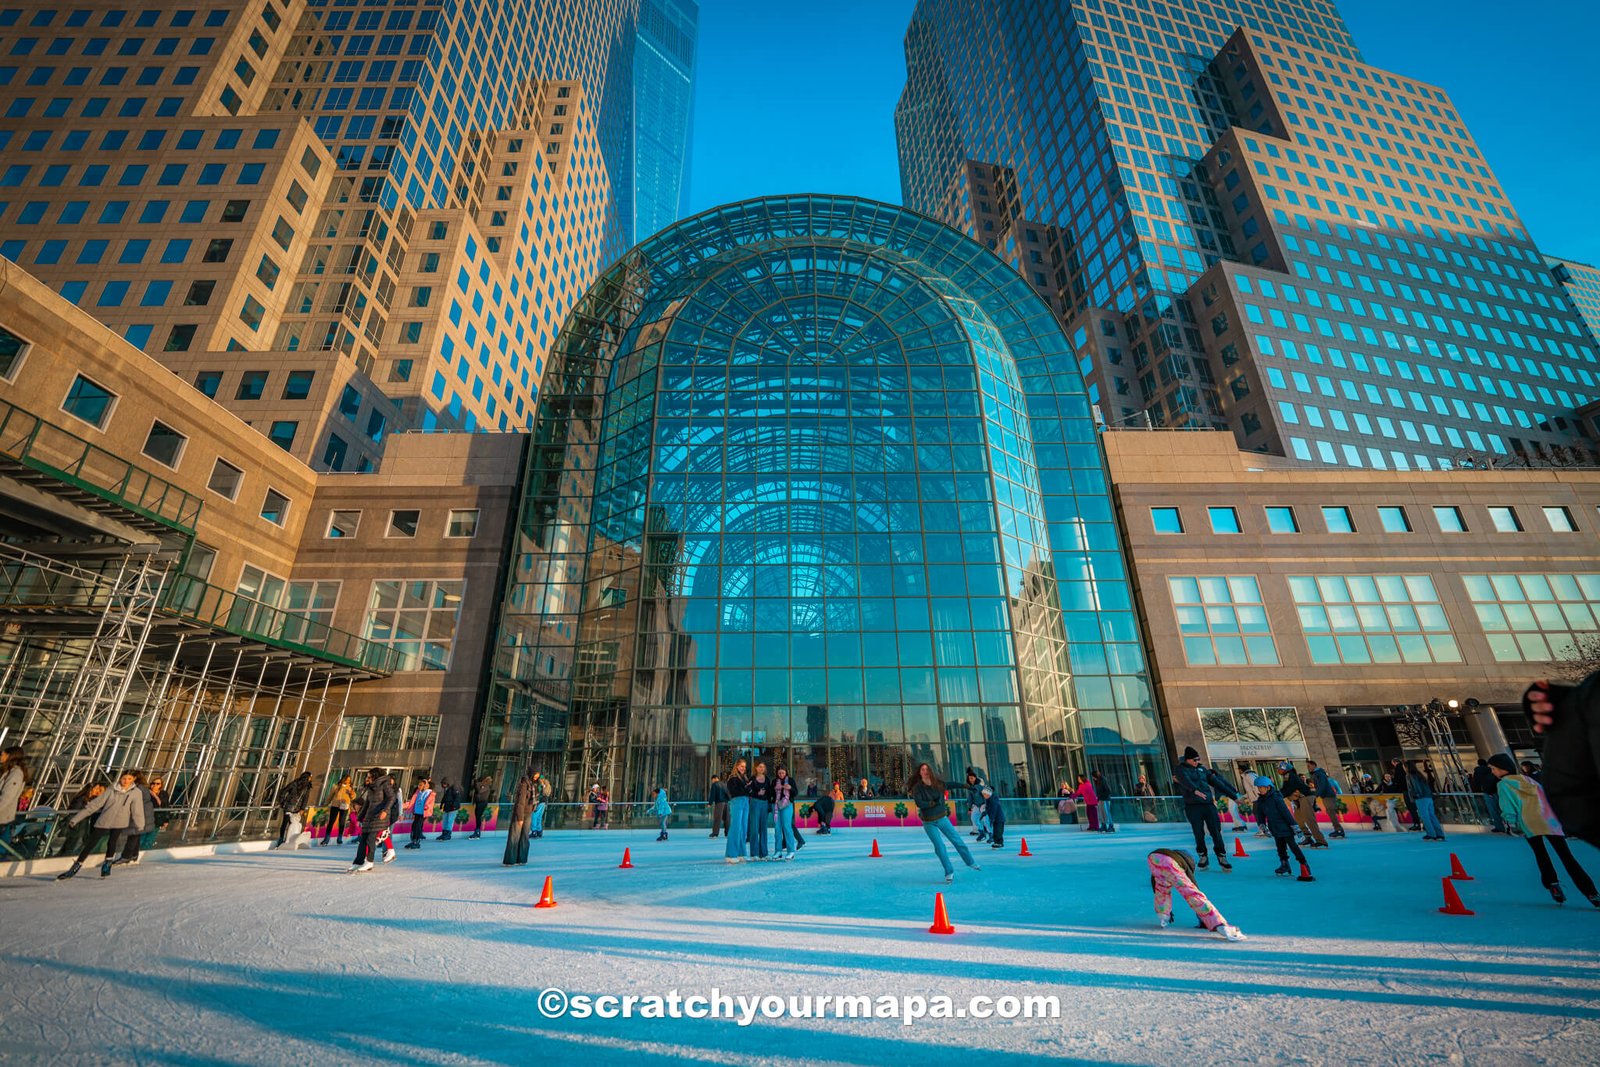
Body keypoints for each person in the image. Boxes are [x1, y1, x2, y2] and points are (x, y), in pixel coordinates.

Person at [1489, 753, 1599, 907]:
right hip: (1548, 820)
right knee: (1567, 857)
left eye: (1493, 768)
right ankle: (1591, 892)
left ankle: (1553, 885)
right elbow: (1545, 798)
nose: (1492, 772)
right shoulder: (1528, 780)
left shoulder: (1504, 785)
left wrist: (1513, 824)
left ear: (1502, 768)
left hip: (1529, 821)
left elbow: (1508, 807)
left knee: (1541, 854)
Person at [58, 770, 147, 879]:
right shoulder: (112, 789)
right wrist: (75, 819)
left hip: (120, 822)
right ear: (120, 778)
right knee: (91, 843)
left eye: (129, 779)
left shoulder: (136, 792)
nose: (126, 781)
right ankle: (76, 866)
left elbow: (137, 810)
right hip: (105, 820)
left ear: (133, 779)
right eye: (124, 778)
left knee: (112, 842)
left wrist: (140, 824)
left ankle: (107, 865)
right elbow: (95, 805)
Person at [905, 762, 981, 884]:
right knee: (940, 847)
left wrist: (966, 786)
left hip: (942, 819)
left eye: (927, 769)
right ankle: (949, 872)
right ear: (919, 772)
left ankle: (970, 862)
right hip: (928, 822)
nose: (925, 771)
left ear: (930, 771)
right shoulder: (918, 788)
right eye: (922, 769)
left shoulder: (938, 784)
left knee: (957, 841)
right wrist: (933, 803)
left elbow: (951, 784)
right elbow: (919, 803)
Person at [1148, 847, 1246, 941]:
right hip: (1168, 862)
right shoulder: (1181, 863)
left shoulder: (1173, 856)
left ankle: (1163, 915)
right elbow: (1194, 892)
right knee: (1190, 892)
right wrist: (1205, 918)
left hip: (1153, 857)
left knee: (1162, 888)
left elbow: (1154, 882)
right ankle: (1219, 924)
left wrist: (1166, 911)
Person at [1173, 747, 1235, 871]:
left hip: (1208, 804)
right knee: (1198, 832)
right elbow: (1186, 781)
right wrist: (1195, 790)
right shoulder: (1181, 769)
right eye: (1194, 760)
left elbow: (1217, 782)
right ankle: (1203, 855)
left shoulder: (1202, 769)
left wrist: (1234, 795)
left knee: (1216, 831)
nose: (1197, 762)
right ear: (1188, 759)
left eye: (1198, 759)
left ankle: (1221, 856)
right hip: (1193, 806)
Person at [1253, 776, 1312, 881]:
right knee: (1280, 848)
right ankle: (1285, 864)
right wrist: (1262, 825)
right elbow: (1260, 815)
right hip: (1274, 828)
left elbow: (1286, 813)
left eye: (1261, 787)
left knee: (1293, 847)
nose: (1259, 789)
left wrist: (1295, 826)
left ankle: (1304, 863)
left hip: (1285, 827)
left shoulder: (1276, 798)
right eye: (1258, 787)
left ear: (1268, 787)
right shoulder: (1261, 800)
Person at [348, 768, 395, 873]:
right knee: (363, 840)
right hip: (369, 816)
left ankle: (369, 861)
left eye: (369, 776)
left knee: (370, 840)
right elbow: (367, 804)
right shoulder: (371, 787)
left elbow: (392, 797)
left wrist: (385, 811)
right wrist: (360, 817)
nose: (367, 778)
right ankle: (358, 862)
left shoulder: (384, 784)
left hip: (380, 816)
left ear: (375, 776)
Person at [113, 773, 160, 866]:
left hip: (139, 815)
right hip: (144, 815)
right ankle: (134, 855)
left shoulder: (138, 789)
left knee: (133, 835)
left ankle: (126, 856)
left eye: (129, 778)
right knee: (136, 835)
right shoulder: (143, 788)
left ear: (134, 778)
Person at [1278, 762, 1327, 848]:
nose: (1278, 770)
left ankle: (1321, 841)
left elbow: (1289, 788)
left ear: (1285, 769)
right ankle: (1308, 837)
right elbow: (1286, 788)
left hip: (1305, 797)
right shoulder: (1287, 776)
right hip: (1299, 799)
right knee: (1298, 819)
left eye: (1280, 769)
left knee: (1309, 819)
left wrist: (1279, 795)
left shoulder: (1290, 775)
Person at [271, 770, 314, 850]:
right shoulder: (296, 783)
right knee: (286, 823)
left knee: (291, 824)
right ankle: (282, 840)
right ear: (307, 777)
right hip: (290, 806)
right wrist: (282, 801)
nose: (311, 779)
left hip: (295, 808)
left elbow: (305, 799)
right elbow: (284, 791)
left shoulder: (306, 786)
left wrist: (302, 808)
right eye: (310, 777)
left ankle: (288, 840)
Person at [0, 747, 31, 850]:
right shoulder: (8, 771)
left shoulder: (16, 774)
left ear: (9, 756)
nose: (0, 756)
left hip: (3, 819)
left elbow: (7, 797)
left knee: (2, 848)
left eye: (2, 754)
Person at [1407, 759, 1446, 840]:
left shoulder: (1410, 775)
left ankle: (1431, 834)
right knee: (1432, 815)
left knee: (1425, 816)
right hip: (1428, 797)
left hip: (1421, 798)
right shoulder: (1420, 774)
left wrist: (1417, 795)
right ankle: (1439, 834)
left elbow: (1415, 786)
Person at [504, 769, 535, 866]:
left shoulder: (533, 785)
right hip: (520, 813)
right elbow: (520, 802)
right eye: (536, 774)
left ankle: (522, 859)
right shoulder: (524, 785)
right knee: (514, 837)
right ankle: (510, 859)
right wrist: (520, 817)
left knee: (525, 836)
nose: (537, 777)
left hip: (528, 813)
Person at [1308, 760, 1346, 839]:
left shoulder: (1319, 773)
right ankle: (1338, 829)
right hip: (1326, 795)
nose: (1308, 768)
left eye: (1309, 766)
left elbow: (1322, 785)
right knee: (1330, 812)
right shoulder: (1317, 773)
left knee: (1331, 812)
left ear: (1314, 765)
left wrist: (1316, 794)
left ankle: (1339, 830)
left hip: (1328, 795)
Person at [1471, 758, 1509, 833]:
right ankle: (1509, 825)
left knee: (1493, 811)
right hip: (1498, 791)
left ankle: (1499, 826)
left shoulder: (1478, 772)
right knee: (1503, 809)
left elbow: (1476, 781)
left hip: (1488, 792)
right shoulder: (1492, 770)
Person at [724, 758, 750, 863]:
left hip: (745, 801)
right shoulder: (733, 778)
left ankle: (741, 853)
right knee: (736, 827)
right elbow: (734, 791)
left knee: (743, 828)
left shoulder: (745, 778)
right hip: (737, 802)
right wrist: (746, 789)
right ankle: (731, 854)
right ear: (737, 766)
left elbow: (748, 791)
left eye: (744, 766)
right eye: (741, 766)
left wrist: (748, 789)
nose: (743, 768)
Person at [747, 761, 773, 861]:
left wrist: (768, 799)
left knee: (763, 828)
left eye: (763, 767)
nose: (761, 768)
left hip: (764, 803)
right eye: (759, 766)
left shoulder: (767, 779)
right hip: (755, 803)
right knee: (754, 828)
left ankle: (764, 853)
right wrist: (757, 793)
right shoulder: (752, 779)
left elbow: (770, 792)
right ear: (756, 768)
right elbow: (749, 791)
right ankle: (754, 853)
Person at [772, 767, 798, 858]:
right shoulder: (774, 781)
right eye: (779, 773)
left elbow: (795, 793)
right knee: (777, 828)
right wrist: (774, 789)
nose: (781, 775)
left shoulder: (790, 780)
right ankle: (778, 851)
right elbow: (770, 794)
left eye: (783, 773)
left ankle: (791, 851)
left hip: (787, 805)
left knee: (787, 827)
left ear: (786, 772)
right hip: (776, 806)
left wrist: (790, 788)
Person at [403, 776, 435, 849]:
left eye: (420, 785)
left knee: (418, 826)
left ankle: (417, 841)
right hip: (417, 812)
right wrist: (404, 805)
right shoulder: (418, 792)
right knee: (414, 826)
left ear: (425, 786)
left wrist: (427, 807)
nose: (419, 786)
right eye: (418, 785)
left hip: (423, 813)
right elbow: (412, 801)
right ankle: (413, 840)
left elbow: (430, 803)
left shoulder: (429, 793)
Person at [324, 774, 355, 846]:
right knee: (331, 821)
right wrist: (326, 803)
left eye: (349, 780)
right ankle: (326, 838)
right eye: (347, 780)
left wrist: (351, 793)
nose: (348, 781)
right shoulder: (336, 786)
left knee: (342, 822)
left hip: (344, 806)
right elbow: (330, 795)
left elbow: (353, 797)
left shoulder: (350, 788)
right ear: (343, 779)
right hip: (335, 805)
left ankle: (339, 838)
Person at [965, 767, 990, 842]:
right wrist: (969, 808)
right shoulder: (970, 787)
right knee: (974, 818)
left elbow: (985, 794)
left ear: (975, 777)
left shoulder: (980, 783)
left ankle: (990, 833)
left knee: (985, 819)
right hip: (976, 805)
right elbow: (970, 798)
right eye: (969, 778)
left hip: (983, 804)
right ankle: (981, 832)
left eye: (972, 778)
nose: (970, 779)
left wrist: (986, 804)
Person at [469, 774, 494, 838]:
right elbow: (476, 790)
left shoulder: (486, 786)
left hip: (482, 803)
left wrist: (477, 784)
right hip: (479, 802)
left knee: (478, 816)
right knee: (477, 816)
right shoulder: (482, 785)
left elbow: (479, 791)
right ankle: (477, 831)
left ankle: (477, 831)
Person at [527, 771, 549, 839]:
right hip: (543, 802)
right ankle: (539, 831)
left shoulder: (540, 785)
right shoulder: (546, 785)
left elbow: (538, 794)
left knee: (534, 816)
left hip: (539, 802)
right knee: (539, 817)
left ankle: (534, 831)